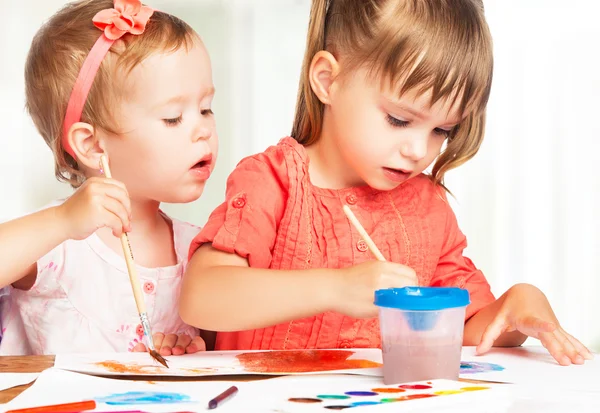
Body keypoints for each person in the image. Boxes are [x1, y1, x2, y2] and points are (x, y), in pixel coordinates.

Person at [180, 0, 592, 366]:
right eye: (399, 119)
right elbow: (202, 298)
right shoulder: (273, 181)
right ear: (328, 80)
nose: (418, 150)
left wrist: (515, 309)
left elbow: (462, 331)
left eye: (442, 130)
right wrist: (335, 287)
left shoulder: (429, 208)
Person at [0, 0, 217, 355]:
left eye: (207, 108)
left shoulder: (198, 251)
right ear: (92, 145)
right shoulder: (61, 242)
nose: (204, 129)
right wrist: (61, 220)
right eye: (174, 117)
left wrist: (192, 353)